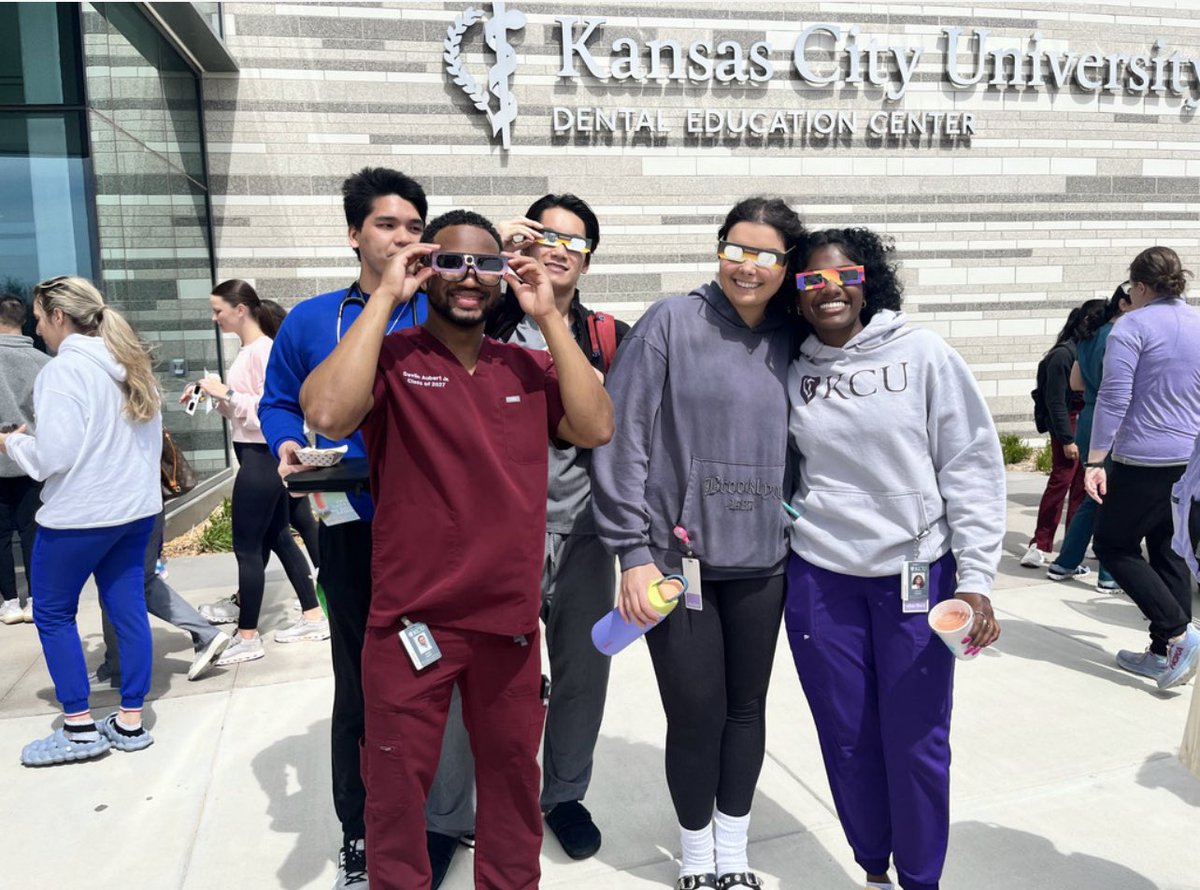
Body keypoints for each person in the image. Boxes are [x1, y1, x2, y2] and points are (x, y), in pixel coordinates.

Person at [300, 209, 613, 889]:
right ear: (427, 269)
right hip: (410, 624)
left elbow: (595, 426)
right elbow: (325, 414)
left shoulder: (527, 367)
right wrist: (386, 293)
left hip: (505, 626)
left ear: (505, 277)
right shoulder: (393, 359)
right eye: (452, 262)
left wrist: (550, 314)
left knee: (510, 799)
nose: (470, 276)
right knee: (393, 799)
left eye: (487, 263)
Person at [259, 167, 474, 889]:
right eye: (388, 225)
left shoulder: (450, 310)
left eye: (416, 227)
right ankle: (361, 833)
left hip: (446, 533)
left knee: (444, 676)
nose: (405, 238)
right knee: (361, 689)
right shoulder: (315, 318)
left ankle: (440, 815)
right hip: (353, 526)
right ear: (355, 234)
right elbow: (281, 403)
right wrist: (285, 437)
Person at [591, 197, 805, 890]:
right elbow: (622, 443)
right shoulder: (669, 322)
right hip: (675, 566)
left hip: (762, 562)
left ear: (786, 265)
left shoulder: (792, 340)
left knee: (745, 710)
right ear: (719, 249)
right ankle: (696, 856)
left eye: (768, 254)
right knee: (694, 713)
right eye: (737, 248)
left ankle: (734, 852)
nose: (749, 266)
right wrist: (631, 551)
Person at [784, 228, 1005, 890]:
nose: (828, 289)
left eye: (843, 275)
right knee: (847, 739)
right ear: (795, 296)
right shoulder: (791, 370)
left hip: (916, 575)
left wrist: (978, 581)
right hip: (821, 579)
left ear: (866, 279)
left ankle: (920, 878)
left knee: (916, 743)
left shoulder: (924, 354)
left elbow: (970, 464)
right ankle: (873, 867)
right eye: (811, 280)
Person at [486, 193, 630, 860]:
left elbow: (628, 438)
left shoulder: (607, 335)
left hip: (583, 534)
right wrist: (491, 243)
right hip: (496, 535)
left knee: (582, 672)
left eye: (574, 240)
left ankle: (564, 794)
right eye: (544, 234)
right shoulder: (481, 314)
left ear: (589, 258)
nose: (558, 248)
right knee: (489, 677)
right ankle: (467, 806)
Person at [0, 276, 163, 764]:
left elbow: (54, 457)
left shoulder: (63, 372)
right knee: (127, 607)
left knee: (52, 613)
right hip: (135, 511)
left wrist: (12, 442)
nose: (36, 327)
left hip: (80, 515)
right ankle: (130, 722)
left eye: (38, 317)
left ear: (58, 316)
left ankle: (78, 729)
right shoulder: (131, 365)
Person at [189, 280, 327, 665]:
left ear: (240, 309)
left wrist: (226, 395)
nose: (214, 317)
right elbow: (240, 411)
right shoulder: (249, 350)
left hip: (263, 456)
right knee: (280, 538)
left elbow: (272, 406)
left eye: (218, 310)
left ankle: (247, 636)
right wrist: (213, 397)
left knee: (247, 548)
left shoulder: (264, 350)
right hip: (254, 453)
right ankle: (313, 616)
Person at [1086, 246, 1200, 690]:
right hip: (1190, 456)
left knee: (1114, 544)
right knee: (1169, 549)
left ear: (1138, 286)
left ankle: (1177, 633)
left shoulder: (1131, 325)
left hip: (1145, 457)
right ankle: (1162, 651)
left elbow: (1115, 397)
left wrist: (1096, 460)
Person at [1046, 288, 1132, 590]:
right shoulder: (1123, 336)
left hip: (1089, 419)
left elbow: (1076, 382)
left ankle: (1065, 562)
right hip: (1114, 422)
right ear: (1124, 303)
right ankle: (1109, 574)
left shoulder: (1090, 336)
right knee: (1110, 499)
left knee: (1093, 498)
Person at [1020, 306, 1089, 568]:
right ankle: (1040, 543)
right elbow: (1055, 402)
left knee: (1083, 486)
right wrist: (1067, 439)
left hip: (1085, 421)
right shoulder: (1063, 355)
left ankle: (1073, 545)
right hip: (1069, 423)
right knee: (1061, 482)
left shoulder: (1086, 352)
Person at [0, 293, 49, 625]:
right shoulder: (44, 362)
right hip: (33, 457)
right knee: (33, 530)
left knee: (1, 536)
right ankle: (34, 598)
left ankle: (8, 602)